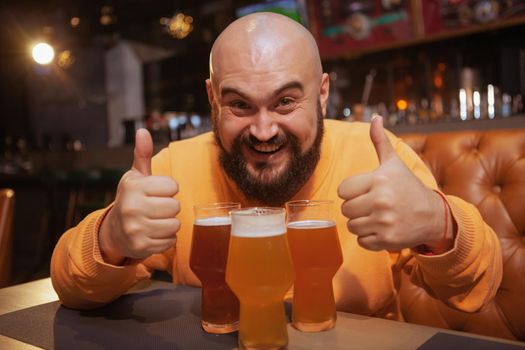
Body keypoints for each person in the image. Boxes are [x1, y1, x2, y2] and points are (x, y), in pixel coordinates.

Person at [51, 12, 502, 322]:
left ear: (322, 93)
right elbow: (70, 287)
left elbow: (478, 287)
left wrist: (438, 223)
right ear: (212, 99)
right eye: (240, 105)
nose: (264, 130)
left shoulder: (378, 157)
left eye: (286, 101)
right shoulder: (174, 169)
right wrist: (110, 237)